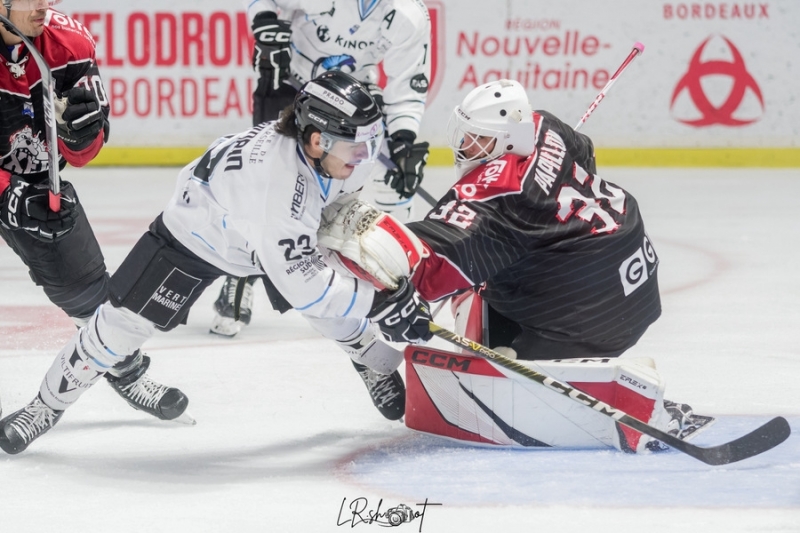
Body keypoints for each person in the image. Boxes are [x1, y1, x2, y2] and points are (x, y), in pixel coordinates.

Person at [0, 70, 433, 454]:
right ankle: (44, 406)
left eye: (371, 144)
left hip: (261, 231)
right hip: (197, 236)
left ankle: (366, 357)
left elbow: (314, 255)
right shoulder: (277, 188)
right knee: (118, 327)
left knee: (334, 271)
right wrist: (379, 301)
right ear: (318, 140)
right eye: (359, 149)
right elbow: (307, 284)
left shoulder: (327, 152)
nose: (365, 158)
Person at [319, 79, 713, 451]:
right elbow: (586, 155)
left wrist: (370, 254)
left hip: (588, 318)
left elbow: (426, 273)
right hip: (636, 281)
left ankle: (539, 359)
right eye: (467, 136)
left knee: (473, 288)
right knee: (508, 259)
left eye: (478, 140)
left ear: (506, 139)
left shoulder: (495, 200)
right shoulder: (544, 125)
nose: (466, 148)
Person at [0, 0, 189, 436]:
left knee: (88, 293)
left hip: (35, 184)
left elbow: (82, 154)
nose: (47, 5)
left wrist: (80, 135)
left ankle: (127, 371)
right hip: (10, 186)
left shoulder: (70, 43)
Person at [209, 0, 432, 338]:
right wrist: (265, 21)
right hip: (292, 85)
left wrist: (403, 139)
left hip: (352, 104)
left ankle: (392, 284)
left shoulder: (409, 14)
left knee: (378, 187)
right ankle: (238, 277)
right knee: (260, 192)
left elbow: (407, 84)